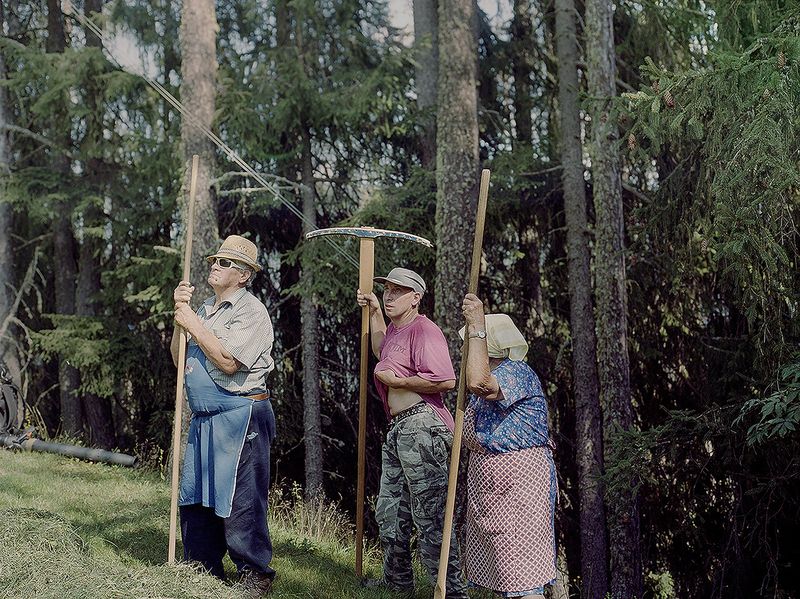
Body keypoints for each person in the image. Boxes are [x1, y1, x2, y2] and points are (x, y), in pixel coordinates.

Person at [171, 234, 276, 598]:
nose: (216, 265)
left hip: (241, 414)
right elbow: (179, 359)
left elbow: (230, 362)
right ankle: (201, 566)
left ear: (244, 275)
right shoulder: (202, 309)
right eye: (216, 260)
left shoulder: (252, 312)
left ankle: (255, 573)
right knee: (197, 494)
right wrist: (180, 318)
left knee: (240, 498)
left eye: (226, 262)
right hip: (205, 417)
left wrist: (193, 324)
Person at [356, 267, 468, 599]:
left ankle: (451, 592)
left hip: (423, 428)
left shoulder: (424, 330)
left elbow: (446, 380)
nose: (390, 295)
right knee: (390, 510)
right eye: (387, 290)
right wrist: (375, 310)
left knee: (430, 515)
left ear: (415, 298)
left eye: (397, 291)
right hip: (399, 429)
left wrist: (399, 381)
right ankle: (397, 585)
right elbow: (381, 350)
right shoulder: (395, 329)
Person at [459, 293, 558, 599]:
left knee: (522, 570)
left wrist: (477, 325)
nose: (464, 349)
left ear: (488, 344)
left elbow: (480, 383)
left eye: (469, 342)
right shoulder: (496, 372)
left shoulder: (515, 372)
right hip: (495, 485)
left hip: (520, 484)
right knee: (505, 568)